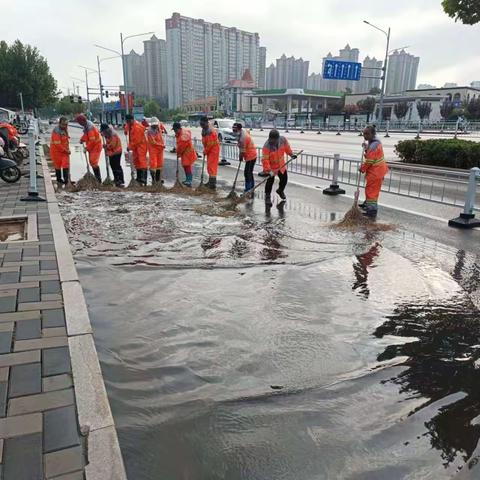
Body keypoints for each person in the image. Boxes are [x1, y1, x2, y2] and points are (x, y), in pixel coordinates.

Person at [359, 125, 389, 217]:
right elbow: (372, 154)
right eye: (364, 134)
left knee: (371, 191)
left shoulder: (373, 146)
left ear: (373, 134)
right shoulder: (375, 143)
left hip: (376, 172)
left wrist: (362, 168)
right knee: (371, 189)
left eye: (367, 134)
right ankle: (367, 204)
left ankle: (371, 210)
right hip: (378, 171)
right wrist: (366, 147)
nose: (365, 136)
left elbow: (370, 161)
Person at [262, 129, 297, 206]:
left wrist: (291, 154)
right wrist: (268, 171)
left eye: (274, 140)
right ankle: (267, 196)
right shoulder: (267, 146)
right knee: (270, 182)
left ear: (277, 138)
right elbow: (265, 160)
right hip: (271, 167)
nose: (272, 141)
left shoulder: (283, 140)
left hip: (281, 166)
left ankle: (280, 190)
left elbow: (287, 148)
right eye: (271, 139)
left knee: (284, 180)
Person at [76, 114, 102, 182]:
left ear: (82, 121)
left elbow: (92, 141)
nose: (79, 124)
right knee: (92, 162)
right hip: (92, 146)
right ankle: (97, 179)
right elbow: (86, 135)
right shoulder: (86, 126)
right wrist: (82, 139)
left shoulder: (90, 127)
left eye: (79, 122)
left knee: (93, 162)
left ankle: (98, 179)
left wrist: (87, 148)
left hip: (96, 146)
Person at [232, 122, 257, 192]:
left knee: (247, 173)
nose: (234, 131)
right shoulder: (241, 133)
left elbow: (242, 150)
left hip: (251, 156)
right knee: (249, 172)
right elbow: (241, 147)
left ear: (239, 129)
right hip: (250, 155)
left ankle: (248, 189)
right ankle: (252, 187)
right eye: (233, 130)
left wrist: (240, 157)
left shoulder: (243, 137)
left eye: (235, 130)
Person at [125, 113, 148, 185]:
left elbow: (136, 141)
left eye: (128, 121)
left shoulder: (137, 127)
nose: (128, 123)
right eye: (127, 122)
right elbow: (127, 128)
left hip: (141, 146)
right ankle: (139, 177)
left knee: (141, 161)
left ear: (131, 120)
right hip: (136, 147)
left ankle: (143, 178)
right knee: (137, 161)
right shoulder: (131, 125)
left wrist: (129, 147)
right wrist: (126, 130)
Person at [172, 121, 197, 186]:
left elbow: (181, 147)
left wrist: (178, 153)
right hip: (185, 153)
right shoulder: (181, 132)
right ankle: (187, 179)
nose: (174, 131)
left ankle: (189, 180)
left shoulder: (183, 136)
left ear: (178, 129)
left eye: (174, 130)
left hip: (188, 153)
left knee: (187, 165)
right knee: (185, 166)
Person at [199, 116, 220, 189]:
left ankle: (212, 184)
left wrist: (205, 151)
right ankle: (210, 181)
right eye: (200, 124)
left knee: (212, 167)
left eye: (202, 124)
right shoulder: (205, 129)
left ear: (206, 123)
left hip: (213, 150)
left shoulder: (211, 131)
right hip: (209, 150)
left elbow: (210, 143)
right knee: (209, 166)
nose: (201, 126)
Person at [49, 116, 70, 185]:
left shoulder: (65, 129)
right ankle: (59, 180)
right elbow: (57, 144)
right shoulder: (56, 131)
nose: (65, 126)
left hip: (64, 151)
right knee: (57, 166)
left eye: (66, 124)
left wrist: (67, 149)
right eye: (63, 124)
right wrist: (66, 151)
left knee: (65, 165)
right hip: (56, 151)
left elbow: (65, 140)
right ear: (59, 123)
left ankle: (66, 181)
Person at [146, 117, 165, 184]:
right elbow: (153, 142)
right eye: (154, 125)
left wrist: (164, 130)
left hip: (160, 150)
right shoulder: (150, 131)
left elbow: (162, 127)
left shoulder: (158, 127)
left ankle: (158, 179)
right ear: (151, 125)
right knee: (153, 164)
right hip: (153, 149)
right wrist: (161, 145)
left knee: (159, 164)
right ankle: (153, 179)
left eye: (156, 124)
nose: (156, 126)